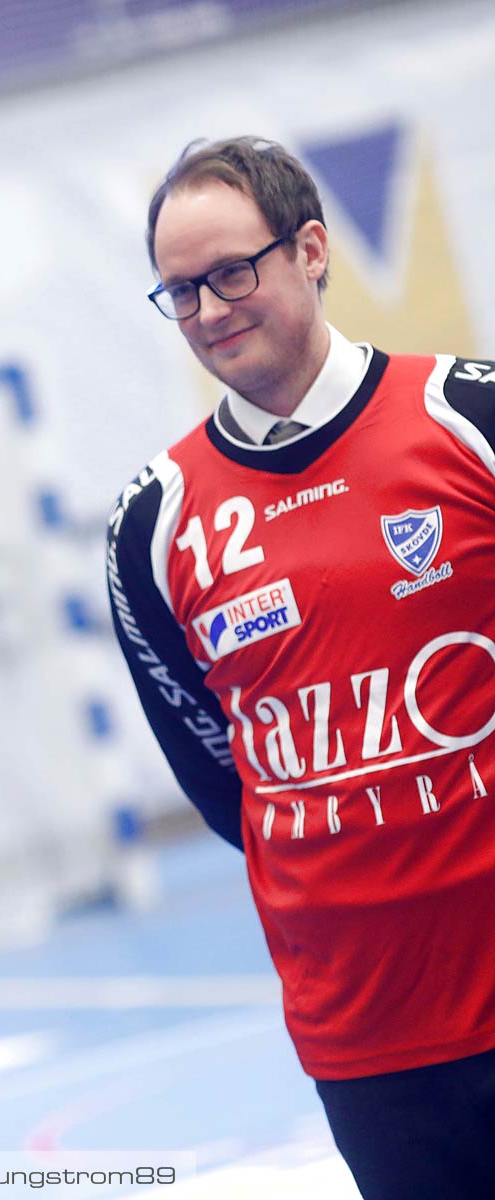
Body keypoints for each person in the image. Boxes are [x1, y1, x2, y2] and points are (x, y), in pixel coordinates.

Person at [105, 136, 495, 1199]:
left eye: (233, 271)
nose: (212, 309)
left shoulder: (470, 416)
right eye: (181, 292)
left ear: (312, 249)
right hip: (365, 1037)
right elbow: (221, 778)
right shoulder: (154, 520)